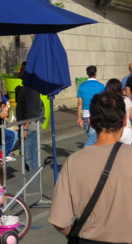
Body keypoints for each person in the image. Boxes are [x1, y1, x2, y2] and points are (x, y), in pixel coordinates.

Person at [49, 91, 132, 243]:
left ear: (91, 122)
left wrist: (78, 232)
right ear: (124, 120)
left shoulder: (74, 161)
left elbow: (59, 221)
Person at [16, 62, 44, 171]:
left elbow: (31, 111)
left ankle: (34, 185)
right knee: (27, 159)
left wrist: (25, 127)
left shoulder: (31, 88)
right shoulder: (26, 88)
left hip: (30, 128)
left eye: (22, 69)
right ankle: (30, 184)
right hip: (27, 127)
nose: (19, 71)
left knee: (30, 160)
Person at [77, 65, 105, 148]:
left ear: (87, 74)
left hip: (86, 114)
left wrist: (79, 117)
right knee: (93, 136)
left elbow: (79, 103)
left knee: (91, 135)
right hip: (98, 113)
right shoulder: (101, 86)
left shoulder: (81, 86)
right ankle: (84, 154)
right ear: (95, 73)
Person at [0, 88, 17, 162]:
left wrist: (5, 115)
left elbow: (3, 118)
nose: (1, 99)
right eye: (0, 97)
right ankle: (4, 154)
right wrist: (1, 115)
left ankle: (5, 153)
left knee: (14, 133)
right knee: (11, 134)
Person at [105, 78, 132, 144]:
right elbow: (131, 116)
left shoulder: (106, 101)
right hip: (126, 130)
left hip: (111, 131)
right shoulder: (126, 99)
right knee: (126, 152)